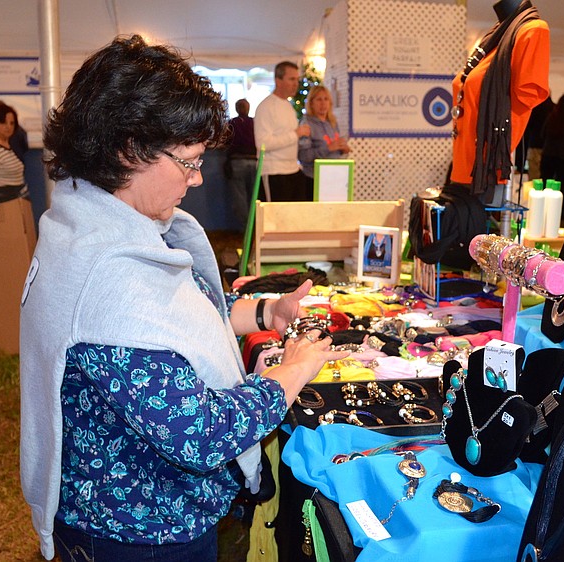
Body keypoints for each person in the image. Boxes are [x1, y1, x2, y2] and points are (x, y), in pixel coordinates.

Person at [19, 35, 347, 562]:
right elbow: (202, 435)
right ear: (130, 149)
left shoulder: (95, 224)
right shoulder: (110, 282)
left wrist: (265, 312)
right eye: (189, 162)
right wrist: (291, 372)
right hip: (138, 531)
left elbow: (179, 320)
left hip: (136, 514)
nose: (196, 180)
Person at [449, 0, 549, 204]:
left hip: (487, 169)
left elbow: (527, 95)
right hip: (463, 166)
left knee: (482, 235)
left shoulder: (532, 30)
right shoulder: (494, 38)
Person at [254, 61, 311, 201]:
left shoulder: (288, 106)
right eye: (291, 79)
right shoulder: (266, 107)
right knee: (274, 221)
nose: (295, 84)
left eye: (297, 79)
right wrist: (296, 134)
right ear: (278, 80)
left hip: (293, 169)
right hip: (274, 172)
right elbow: (262, 144)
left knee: (293, 219)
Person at [298, 85, 350, 194]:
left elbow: (334, 151)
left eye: (326, 99)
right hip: (314, 179)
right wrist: (328, 148)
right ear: (311, 103)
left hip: (335, 177)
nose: (323, 103)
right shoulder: (306, 123)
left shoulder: (332, 122)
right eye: (319, 99)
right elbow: (304, 156)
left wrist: (342, 149)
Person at [540, 93, 564, 217]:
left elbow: (543, 134)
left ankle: (542, 211)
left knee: (545, 184)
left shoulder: (552, 117)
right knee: (562, 187)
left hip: (549, 154)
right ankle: (560, 215)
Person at [225, 99, 258, 231]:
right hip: (255, 162)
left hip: (237, 162)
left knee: (240, 197)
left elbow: (225, 141)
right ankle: (256, 228)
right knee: (254, 196)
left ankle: (246, 230)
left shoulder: (232, 123)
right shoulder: (255, 122)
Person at [524, 94, 553, 179]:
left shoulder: (533, 109)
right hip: (549, 149)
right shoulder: (555, 109)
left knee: (534, 177)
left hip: (534, 144)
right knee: (547, 178)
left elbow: (527, 128)